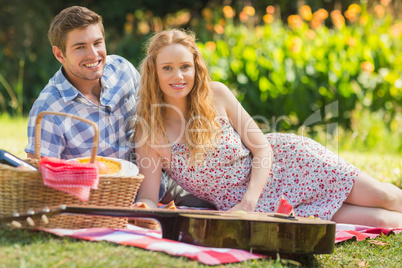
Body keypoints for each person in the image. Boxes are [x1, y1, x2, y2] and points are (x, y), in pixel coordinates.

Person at [133, 29, 402, 228]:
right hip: (247, 207)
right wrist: (141, 210)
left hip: (290, 164)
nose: (178, 76)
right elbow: (148, 195)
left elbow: (261, 147)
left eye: (185, 67)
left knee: (383, 195)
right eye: (167, 68)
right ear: (153, 72)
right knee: (380, 220)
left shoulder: (216, 95)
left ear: (196, 69)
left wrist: (249, 201)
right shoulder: (150, 132)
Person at [25, 6, 213, 208]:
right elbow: (39, 180)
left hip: (156, 185)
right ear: (59, 54)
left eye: (98, 43)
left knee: (215, 205)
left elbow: (159, 112)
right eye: (80, 47)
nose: (93, 54)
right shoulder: (48, 110)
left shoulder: (122, 70)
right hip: (100, 202)